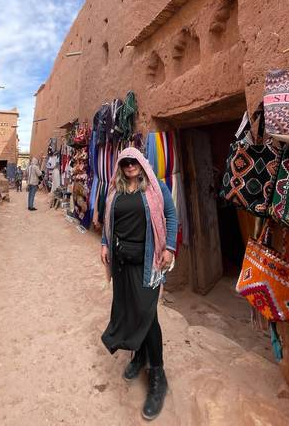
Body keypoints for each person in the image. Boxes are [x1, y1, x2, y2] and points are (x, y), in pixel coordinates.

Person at [100, 147, 177, 421]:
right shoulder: (114, 191)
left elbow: (170, 214)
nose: (130, 166)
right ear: (120, 166)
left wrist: (169, 247)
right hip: (121, 262)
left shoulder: (156, 188)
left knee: (148, 314)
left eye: (134, 161)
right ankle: (139, 357)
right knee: (131, 308)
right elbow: (109, 221)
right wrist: (104, 243)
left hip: (149, 261)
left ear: (142, 163)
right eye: (125, 162)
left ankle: (158, 376)